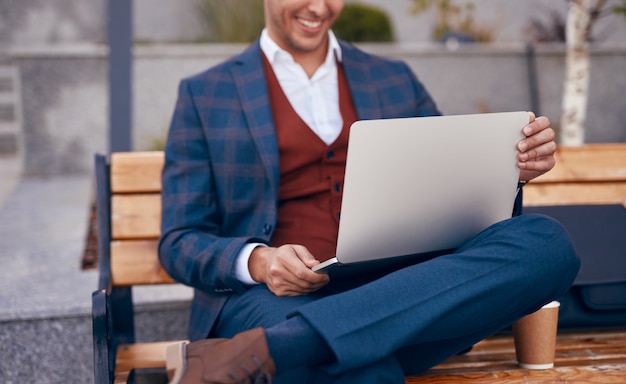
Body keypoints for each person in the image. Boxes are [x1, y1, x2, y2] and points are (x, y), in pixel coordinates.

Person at [158, 0, 580, 383]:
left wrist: (512, 171)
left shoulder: (393, 79)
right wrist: (259, 261)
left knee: (547, 242)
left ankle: (269, 350)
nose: (319, 7)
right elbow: (179, 241)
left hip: (406, 290)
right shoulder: (205, 94)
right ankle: (307, 341)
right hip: (274, 300)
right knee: (366, 371)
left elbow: (450, 190)